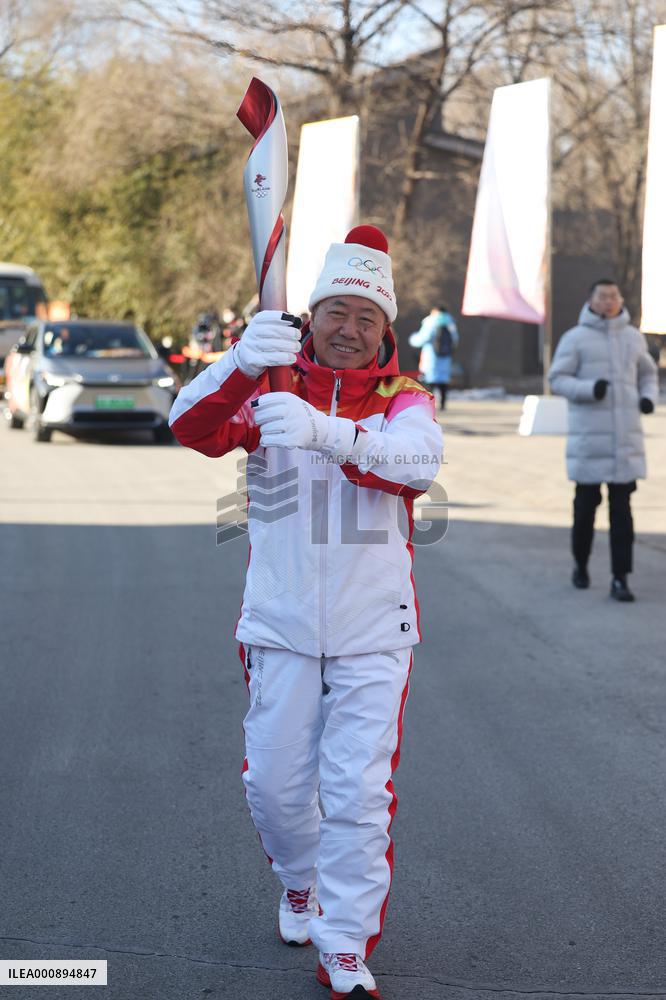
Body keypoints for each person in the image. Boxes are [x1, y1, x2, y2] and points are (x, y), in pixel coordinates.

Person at [169, 226, 443, 999]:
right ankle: (299, 880)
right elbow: (189, 427)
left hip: (373, 630)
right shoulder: (266, 385)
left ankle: (345, 944)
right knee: (275, 788)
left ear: (384, 330)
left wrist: (327, 433)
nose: (349, 329)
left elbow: (417, 464)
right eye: (336, 312)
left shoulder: (404, 397)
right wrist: (239, 362)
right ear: (311, 316)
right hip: (280, 624)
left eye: (366, 318)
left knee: (358, 796)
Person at [548, 279, 658, 602]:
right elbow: (557, 379)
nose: (609, 301)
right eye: (603, 296)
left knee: (622, 512)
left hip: (625, 441)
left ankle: (620, 579)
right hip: (589, 441)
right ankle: (581, 564)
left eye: (614, 296)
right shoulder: (575, 338)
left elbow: (648, 374)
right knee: (585, 510)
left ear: (620, 300)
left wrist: (648, 397)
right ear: (591, 301)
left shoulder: (633, 337)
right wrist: (588, 389)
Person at [408, 305, 459, 410]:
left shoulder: (431, 321)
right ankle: (443, 405)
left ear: (435, 311)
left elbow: (423, 338)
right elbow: (455, 340)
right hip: (445, 357)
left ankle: (428, 404)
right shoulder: (451, 323)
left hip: (430, 356)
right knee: (443, 381)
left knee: (429, 380)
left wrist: (412, 339)